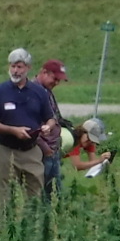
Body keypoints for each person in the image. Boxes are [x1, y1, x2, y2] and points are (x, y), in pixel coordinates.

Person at [0, 48, 50, 198]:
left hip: (31, 150)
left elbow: (50, 118)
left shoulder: (39, 92)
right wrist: (13, 130)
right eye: (12, 66)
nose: (15, 71)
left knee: (35, 194)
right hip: (6, 150)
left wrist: (47, 127)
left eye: (19, 67)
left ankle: (32, 220)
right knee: (3, 194)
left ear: (28, 68)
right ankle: (3, 221)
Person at [36, 59, 70, 193]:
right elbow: (32, 124)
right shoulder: (35, 92)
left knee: (56, 191)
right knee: (44, 191)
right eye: (54, 79)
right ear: (44, 72)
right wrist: (46, 149)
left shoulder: (47, 90)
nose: (56, 83)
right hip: (44, 151)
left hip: (53, 148)